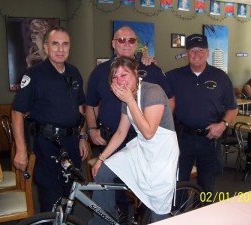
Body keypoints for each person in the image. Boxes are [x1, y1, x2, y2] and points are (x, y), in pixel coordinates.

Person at [88, 56, 179, 225]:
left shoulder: (153, 92)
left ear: (136, 73)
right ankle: (104, 221)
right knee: (103, 171)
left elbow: (149, 132)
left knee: (158, 207)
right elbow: (121, 132)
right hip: (142, 148)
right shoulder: (128, 97)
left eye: (124, 75)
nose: (119, 80)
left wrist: (130, 101)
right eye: (115, 77)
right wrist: (101, 158)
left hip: (161, 152)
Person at [11, 27, 89, 212]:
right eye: (55, 44)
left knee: (70, 194)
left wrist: (83, 137)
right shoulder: (34, 75)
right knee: (50, 198)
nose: (60, 49)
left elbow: (80, 108)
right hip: (47, 145)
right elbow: (17, 112)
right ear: (46, 47)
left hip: (71, 143)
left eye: (65, 44)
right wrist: (21, 150)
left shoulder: (74, 72)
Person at [166, 33, 238, 194]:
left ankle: (204, 216)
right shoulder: (173, 77)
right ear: (186, 54)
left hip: (210, 140)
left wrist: (223, 124)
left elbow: (233, 108)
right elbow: (152, 83)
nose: (196, 54)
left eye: (200, 50)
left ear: (207, 52)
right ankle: (178, 216)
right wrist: (147, 63)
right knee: (178, 183)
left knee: (207, 186)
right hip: (182, 139)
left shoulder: (221, 77)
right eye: (192, 50)